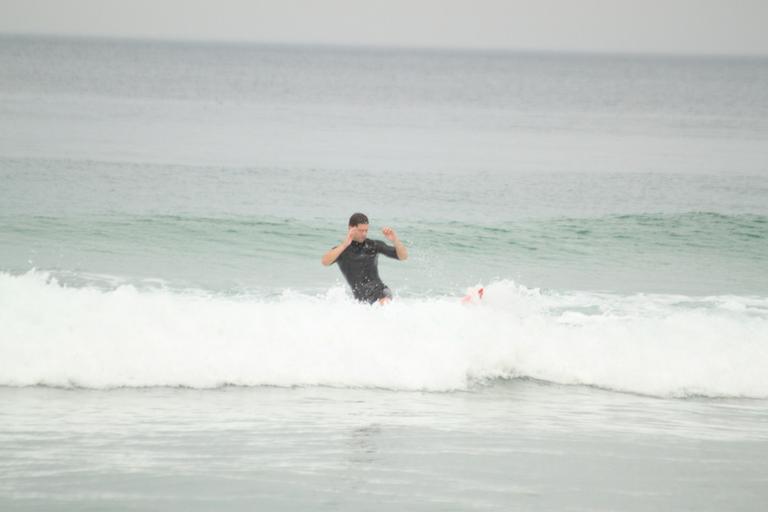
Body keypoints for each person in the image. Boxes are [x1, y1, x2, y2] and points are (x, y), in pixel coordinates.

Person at [321, 212, 408, 304]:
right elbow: (325, 262)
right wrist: (344, 244)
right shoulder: (342, 250)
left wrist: (395, 240)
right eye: (361, 230)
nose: (364, 234)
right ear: (351, 228)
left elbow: (403, 256)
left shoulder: (373, 245)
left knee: (384, 304)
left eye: (366, 230)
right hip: (362, 301)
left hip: (381, 292)